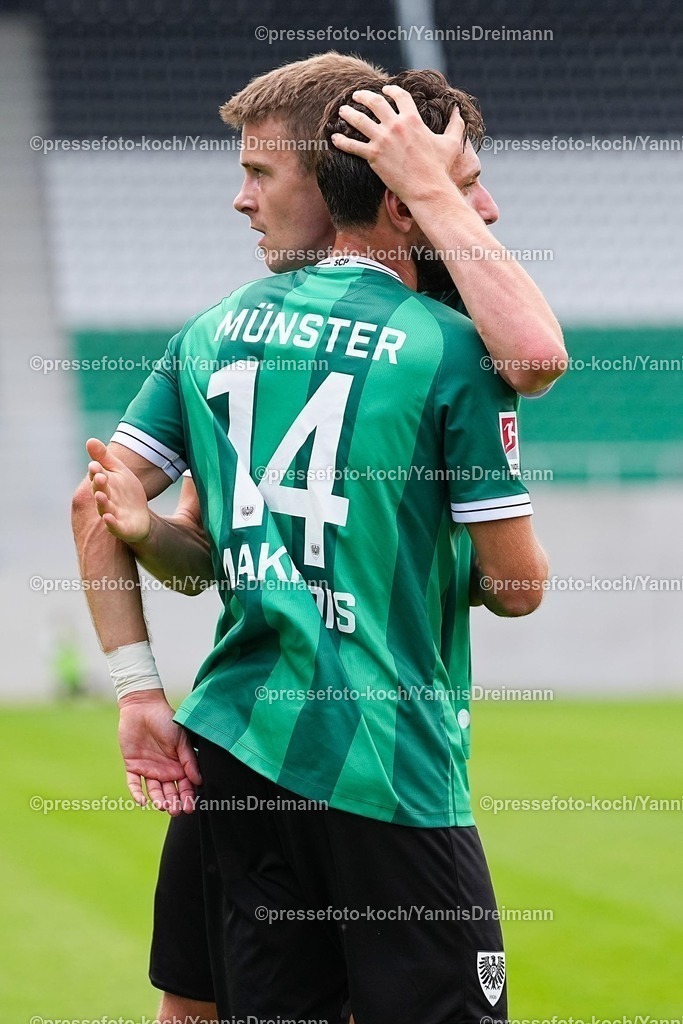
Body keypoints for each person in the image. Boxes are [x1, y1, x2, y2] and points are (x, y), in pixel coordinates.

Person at [73, 52, 565, 1024]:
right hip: (385, 758)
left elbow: (116, 510)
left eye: (257, 173)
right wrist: (403, 558)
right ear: (393, 193)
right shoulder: (447, 346)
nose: (240, 200)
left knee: (202, 1009)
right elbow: (517, 581)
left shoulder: (213, 331)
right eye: (462, 189)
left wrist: (137, 685)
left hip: (233, 741)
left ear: (319, 181)